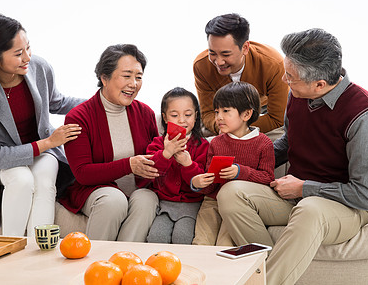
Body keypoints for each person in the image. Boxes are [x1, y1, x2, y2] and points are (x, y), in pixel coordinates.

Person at [217, 28, 368, 284]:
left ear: (319, 84)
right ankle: (269, 270)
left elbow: (365, 195)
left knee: (309, 210)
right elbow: (290, 142)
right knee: (231, 193)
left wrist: (304, 189)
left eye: (291, 77)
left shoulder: (363, 115)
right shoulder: (298, 93)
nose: (285, 81)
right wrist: (243, 165)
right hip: (295, 196)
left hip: (346, 207)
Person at [0, 14, 84, 236]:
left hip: (41, 146)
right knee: (21, 180)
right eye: (18, 54)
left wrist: (101, 101)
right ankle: (10, 248)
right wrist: (48, 142)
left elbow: (56, 102)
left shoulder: (39, 67)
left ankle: (35, 250)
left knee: (45, 177)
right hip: (1, 154)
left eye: (28, 48)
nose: (28, 57)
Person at [58, 44, 160, 242]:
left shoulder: (145, 113)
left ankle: (125, 259)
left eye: (138, 77)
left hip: (137, 189)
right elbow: (82, 173)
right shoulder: (79, 117)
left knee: (147, 199)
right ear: (104, 78)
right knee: (114, 200)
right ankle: (96, 264)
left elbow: (155, 157)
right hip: (94, 191)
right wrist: (129, 165)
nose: (134, 83)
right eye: (127, 75)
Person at [191, 82, 275, 245]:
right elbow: (211, 186)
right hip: (213, 202)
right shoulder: (216, 143)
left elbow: (267, 178)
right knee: (200, 243)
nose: (219, 117)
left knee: (225, 246)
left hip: (240, 206)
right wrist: (199, 183)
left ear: (246, 114)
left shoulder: (263, 143)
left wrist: (240, 172)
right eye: (216, 112)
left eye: (226, 111)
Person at [193, 13, 289, 137]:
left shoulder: (273, 64)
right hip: (222, 116)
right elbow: (208, 113)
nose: (219, 62)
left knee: (278, 141)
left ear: (245, 48)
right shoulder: (201, 66)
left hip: (260, 110)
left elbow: (276, 118)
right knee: (198, 143)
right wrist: (226, 128)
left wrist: (240, 130)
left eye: (226, 54)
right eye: (212, 53)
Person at [145, 87, 209, 244]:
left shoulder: (203, 146)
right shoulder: (157, 144)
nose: (182, 120)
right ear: (165, 118)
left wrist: (187, 164)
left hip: (191, 205)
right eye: (175, 115)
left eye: (188, 115)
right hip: (164, 204)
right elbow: (151, 172)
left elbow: (202, 181)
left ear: (195, 117)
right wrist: (166, 153)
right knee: (155, 238)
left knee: (183, 238)